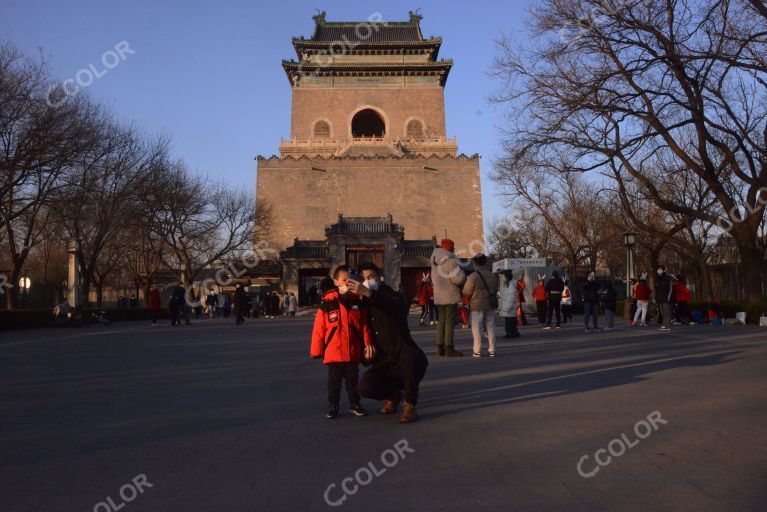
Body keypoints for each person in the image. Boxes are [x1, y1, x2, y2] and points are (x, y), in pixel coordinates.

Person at [349, 262, 428, 424]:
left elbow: (397, 306)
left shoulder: (390, 295)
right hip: (384, 363)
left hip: (406, 358)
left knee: (409, 356)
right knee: (365, 387)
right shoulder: (360, 304)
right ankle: (393, 395)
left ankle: (410, 403)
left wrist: (370, 294)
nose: (367, 281)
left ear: (379, 278)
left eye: (371, 277)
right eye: (363, 279)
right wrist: (366, 356)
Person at [310, 265, 375, 419]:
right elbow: (319, 329)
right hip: (334, 352)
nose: (347, 283)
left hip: (352, 351)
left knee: (353, 382)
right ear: (336, 281)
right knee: (334, 383)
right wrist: (316, 350)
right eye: (344, 280)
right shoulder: (327, 303)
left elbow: (365, 327)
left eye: (349, 280)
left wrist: (368, 344)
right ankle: (333, 405)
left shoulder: (358, 303)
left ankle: (355, 404)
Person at [430, 239, 466, 357]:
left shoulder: (434, 261)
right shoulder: (450, 261)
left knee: (441, 321)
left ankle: (439, 347)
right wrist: (463, 275)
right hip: (450, 295)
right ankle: (449, 348)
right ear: (450, 249)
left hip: (438, 295)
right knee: (449, 321)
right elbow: (458, 279)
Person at [462, 253, 500, 357]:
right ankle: (492, 349)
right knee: (491, 326)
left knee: (477, 328)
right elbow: (496, 289)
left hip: (476, 305)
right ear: (485, 262)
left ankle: (477, 350)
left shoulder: (473, 276)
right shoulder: (492, 275)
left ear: (475, 263)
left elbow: (466, 292)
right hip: (490, 304)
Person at [499, 271, 520, 339]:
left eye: (504, 277)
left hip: (509, 307)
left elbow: (510, 297)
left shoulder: (510, 285)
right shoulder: (509, 284)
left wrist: (507, 307)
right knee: (512, 321)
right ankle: (514, 332)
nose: (503, 278)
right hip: (510, 307)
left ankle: (509, 333)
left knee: (509, 322)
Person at [654, 265, 673, 331]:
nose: (659, 270)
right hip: (659, 298)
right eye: (658, 269)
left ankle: (667, 326)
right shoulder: (657, 278)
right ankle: (664, 325)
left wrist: (668, 297)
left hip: (666, 298)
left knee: (666, 312)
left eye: (661, 269)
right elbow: (656, 289)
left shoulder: (667, 278)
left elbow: (670, 289)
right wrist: (656, 298)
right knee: (662, 312)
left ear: (663, 270)